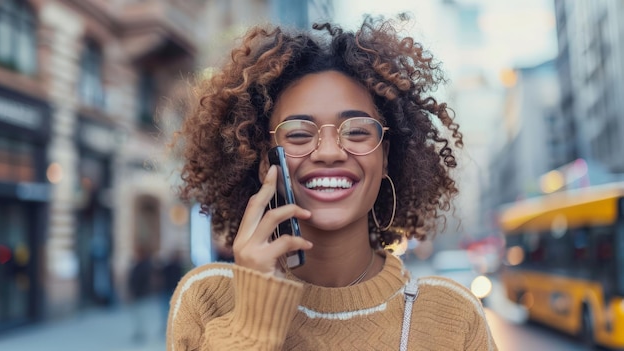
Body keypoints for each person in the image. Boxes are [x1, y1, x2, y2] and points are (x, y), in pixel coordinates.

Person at [167, 16, 498, 350]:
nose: (328, 152)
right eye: (298, 133)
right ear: (266, 160)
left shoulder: (454, 316)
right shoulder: (206, 299)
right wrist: (251, 324)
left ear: (385, 158)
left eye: (356, 131)